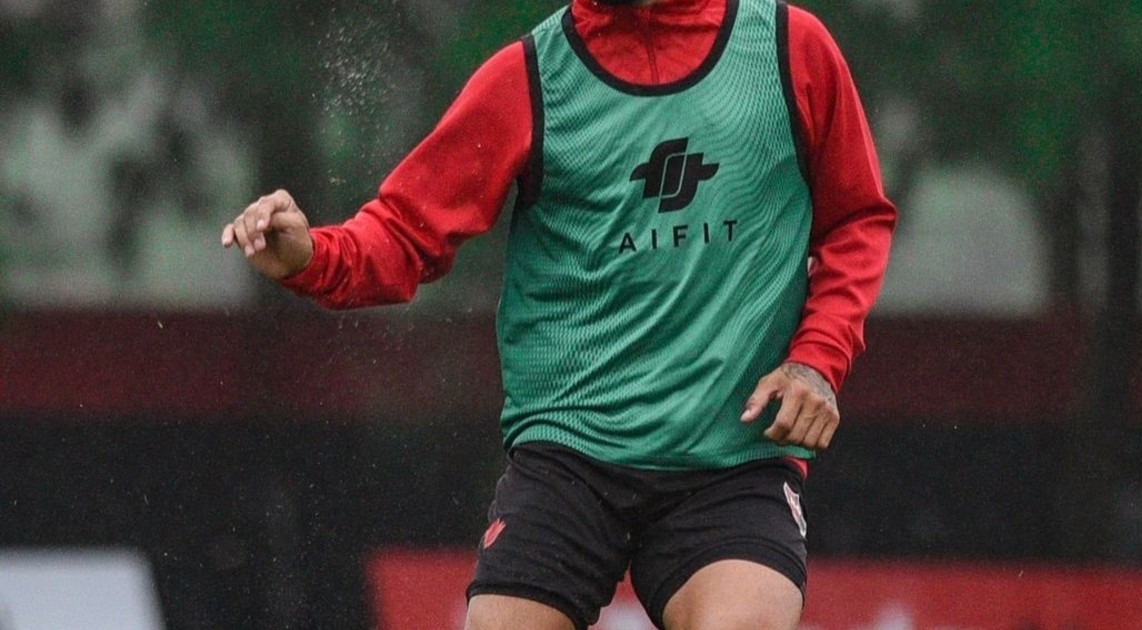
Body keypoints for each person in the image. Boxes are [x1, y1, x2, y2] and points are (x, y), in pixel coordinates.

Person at [221, 0, 895, 627]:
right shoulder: (528, 76)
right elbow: (403, 235)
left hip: (733, 458)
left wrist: (816, 361)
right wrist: (309, 256)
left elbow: (856, 220)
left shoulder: (790, 48)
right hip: (571, 456)